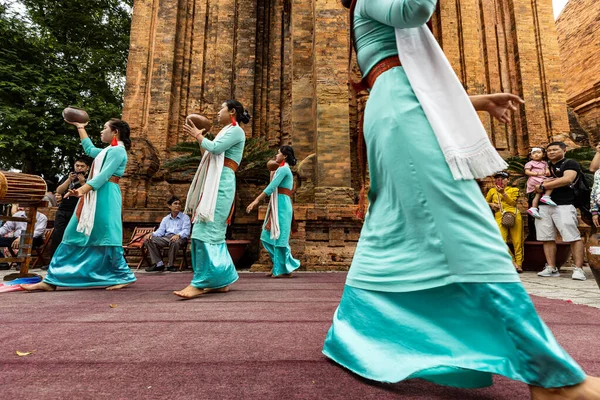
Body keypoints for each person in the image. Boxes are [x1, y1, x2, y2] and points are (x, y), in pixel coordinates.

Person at [322, 0, 600, 397]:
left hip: (401, 110)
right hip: (403, 113)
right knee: (464, 224)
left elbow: (405, 78)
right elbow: (414, 10)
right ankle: (550, 377)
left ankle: (356, 331)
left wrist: (479, 101)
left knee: (393, 226)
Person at [21, 118, 137, 291]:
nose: (101, 131)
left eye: (104, 128)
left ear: (115, 132)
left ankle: (123, 275)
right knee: (72, 232)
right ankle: (52, 279)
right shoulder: (107, 151)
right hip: (94, 194)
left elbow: (104, 175)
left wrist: (82, 190)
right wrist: (80, 127)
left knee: (107, 235)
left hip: (105, 196)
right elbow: (89, 149)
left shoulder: (118, 151)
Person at [173, 100, 249, 299]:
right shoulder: (226, 131)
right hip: (214, 182)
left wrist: (198, 135)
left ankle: (200, 282)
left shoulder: (236, 131)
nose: (217, 112)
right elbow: (208, 153)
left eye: (220, 108)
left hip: (221, 183)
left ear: (232, 111)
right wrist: (202, 138)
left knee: (205, 232)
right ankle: (220, 280)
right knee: (209, 232)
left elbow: (214, 149)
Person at [246, 146, 300, 278]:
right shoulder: (280, 169)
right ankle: (279, 266)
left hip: (282, 205)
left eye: (278, 153)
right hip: (276, 204)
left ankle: (283, 268)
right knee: (266, 236)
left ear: (285, 156)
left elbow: (271, 187)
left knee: (281, 239)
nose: (276, 155)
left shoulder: (284, 169)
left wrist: (256, 201)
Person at [535, 142, 586, 281]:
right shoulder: (546, 166)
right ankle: (551, 267)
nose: (551, 152)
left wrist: (543, 185)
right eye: (549, 150)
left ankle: (578, 269)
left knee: (572, 236)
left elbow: (567, 179)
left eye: (555, 150)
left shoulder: (570, 163)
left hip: (563, 204)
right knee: (547, 237)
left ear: (564, 150)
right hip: (544, 205)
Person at [43, 157, 91, 270]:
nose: (79, 168)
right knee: (57, 235)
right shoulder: (68, 177)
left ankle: (74, 262)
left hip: (78, 210)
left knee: (76, 236)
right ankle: (53, 262)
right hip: (63, 209)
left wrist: (83, 182)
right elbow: (59, 191)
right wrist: (69, 180)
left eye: (82, 166)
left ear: (87, 168)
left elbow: (90, 193)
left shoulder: (89, 179)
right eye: (77, 165)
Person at [485, 172, 524, 273]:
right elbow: (484, 202)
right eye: (498, 178)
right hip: (499, 216)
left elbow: (513, 203)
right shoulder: (492, 191)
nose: (500, 180)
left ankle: (519, 264)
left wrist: (503, 193)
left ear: (508, 180)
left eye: (502, 178)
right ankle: (512, 262)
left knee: (517, 241)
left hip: (514, 215)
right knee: (500, 240)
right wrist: (491, 204)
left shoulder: (513, 189)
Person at [145, 196, 191, 272]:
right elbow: (161, 231)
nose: (177, 206)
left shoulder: (185, 217)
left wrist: (178, 235)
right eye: (175, 204)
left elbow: (186, 230)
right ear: (169, 206)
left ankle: (170, 265)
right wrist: (152, 234)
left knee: (175, 241)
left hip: (180, 238)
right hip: (166, 238)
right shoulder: (165, 219)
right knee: (148, 240)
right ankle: (159, 264)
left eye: (179, 204)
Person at [0, 205, 48, 270]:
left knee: (25, 240)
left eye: (30, 206)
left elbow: (37, 232)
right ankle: (2, 263)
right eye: (26, 206)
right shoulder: (17, 215)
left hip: (34, 238)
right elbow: (6, 227)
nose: (28, 208)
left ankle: (22, 264)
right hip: (16, 238)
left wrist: (22, 238)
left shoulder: (42, 217)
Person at [526, 148, 557, 219]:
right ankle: (546, 196)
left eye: (538, 152)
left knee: (538, 194)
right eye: (534, 153)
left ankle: (533, 208)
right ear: (531, 156)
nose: (536, 154)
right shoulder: (530, 163)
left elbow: (547, 170)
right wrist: (537, 173)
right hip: (534, 179)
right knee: (552, 182)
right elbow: (527, 172)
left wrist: (547, 172)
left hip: (541, 178)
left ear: (543, 155)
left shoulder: (545, 163)